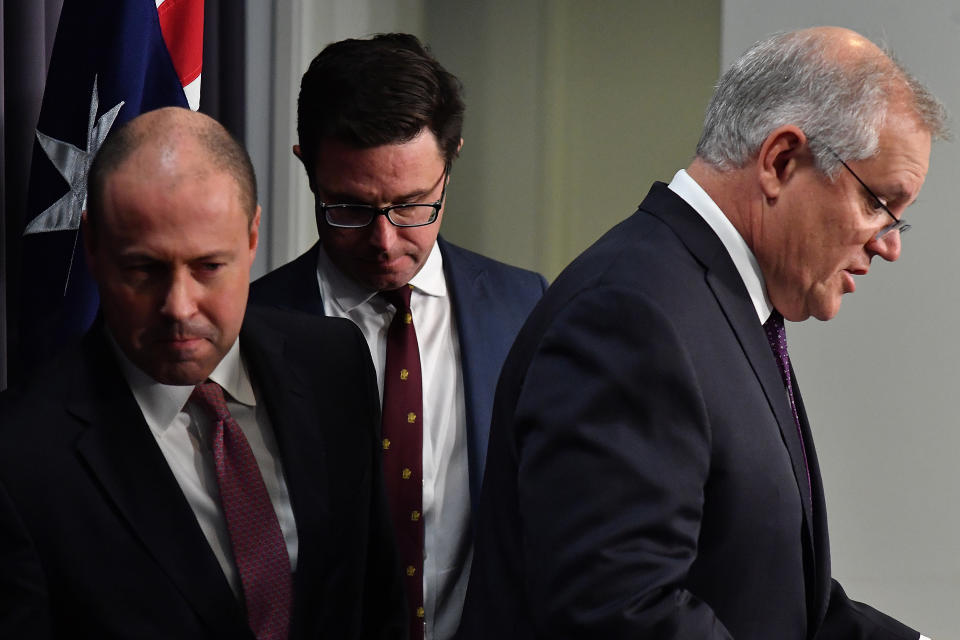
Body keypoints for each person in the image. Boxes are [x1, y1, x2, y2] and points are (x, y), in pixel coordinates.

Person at [459, 27, 947, 640]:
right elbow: (623, 613)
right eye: (879, 202)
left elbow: (773, 594)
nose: (889, 244)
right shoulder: (630, 314)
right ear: (780, 161)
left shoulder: (712, 300)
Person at [0, 107, 405, 639]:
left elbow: (376, 606)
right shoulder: (20, 456)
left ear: (253, 235)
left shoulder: (334, 363)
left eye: (209, 267)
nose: (179, 306)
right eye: (144, 269)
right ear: (94, 248)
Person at [250, 33, 547, 640]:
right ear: (307, 164)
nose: (384, 242)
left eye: (414, 206)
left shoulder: (524, 306)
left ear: (452, 158)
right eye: (350, 208)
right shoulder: (249, 326)